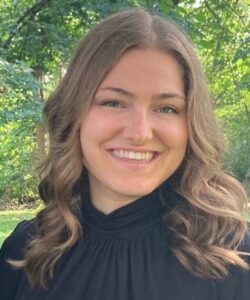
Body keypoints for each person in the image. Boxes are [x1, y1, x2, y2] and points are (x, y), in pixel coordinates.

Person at [0, 8, 249, 300]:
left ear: (191, 125)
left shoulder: (236, 262)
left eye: (166, 108)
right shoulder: (24, 253)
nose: (140, 132)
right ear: (73, 114)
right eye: (114, 103)